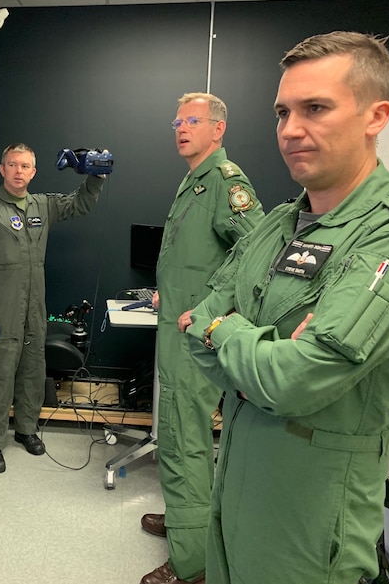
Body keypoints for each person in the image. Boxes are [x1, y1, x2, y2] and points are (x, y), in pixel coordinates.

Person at [183, 31, 389, 583]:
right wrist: (245, 347)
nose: (291, 129)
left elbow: (297, 380)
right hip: (237, 479)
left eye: (316, 108)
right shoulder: (278, 222)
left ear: (377, 117)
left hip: (312, 506)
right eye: (282, 112)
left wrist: (225, 335)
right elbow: (193, 323)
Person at [139, 93, 264, 584]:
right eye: (177, 119)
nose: (181, 127)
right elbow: (195, 257)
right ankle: (186, 519)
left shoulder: (225, 180)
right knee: (175, 432)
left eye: (193, 120)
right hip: (174, 327)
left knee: (183, 437)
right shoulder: (193, 181)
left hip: (194, 339)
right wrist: (166, 293)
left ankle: (193, 562)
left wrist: (210, 305)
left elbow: (254, 251)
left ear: (219, 129)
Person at [0, 143, 106, 473]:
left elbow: (80, 203)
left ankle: (26, 429)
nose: (19, 171)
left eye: (25, 166)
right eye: (12, 165)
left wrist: (95, 177)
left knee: (33, 369)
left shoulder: (43, 205)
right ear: (2, 169)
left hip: (34, 306)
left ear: (33, 172)